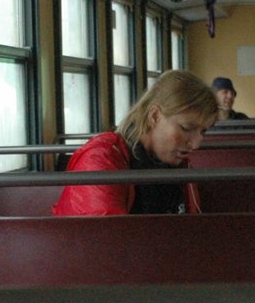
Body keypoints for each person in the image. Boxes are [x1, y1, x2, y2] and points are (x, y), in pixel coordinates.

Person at [52, 70, 219, 215]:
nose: (196, 144)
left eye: (203, 131)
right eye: (186, 128)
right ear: (155, 116)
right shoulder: (101, 161)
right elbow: (104, 242)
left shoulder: (175, 165)